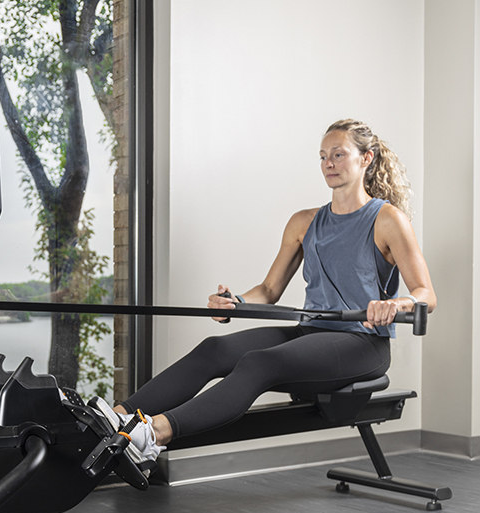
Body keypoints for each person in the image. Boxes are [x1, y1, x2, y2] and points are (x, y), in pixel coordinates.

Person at [94, 119, 437, 463]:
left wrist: (396, 304)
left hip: (362, 344)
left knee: (259, 363)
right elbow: (269, 290)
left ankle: (151, 434)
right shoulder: (304, 222)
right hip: (312, 332)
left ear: (366, 158)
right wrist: (236, 302)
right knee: (215, 349)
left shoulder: (387, 220)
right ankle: (116, 417)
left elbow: (426, 294)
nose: (328, 164)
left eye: (338, 154)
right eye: (322, 157)